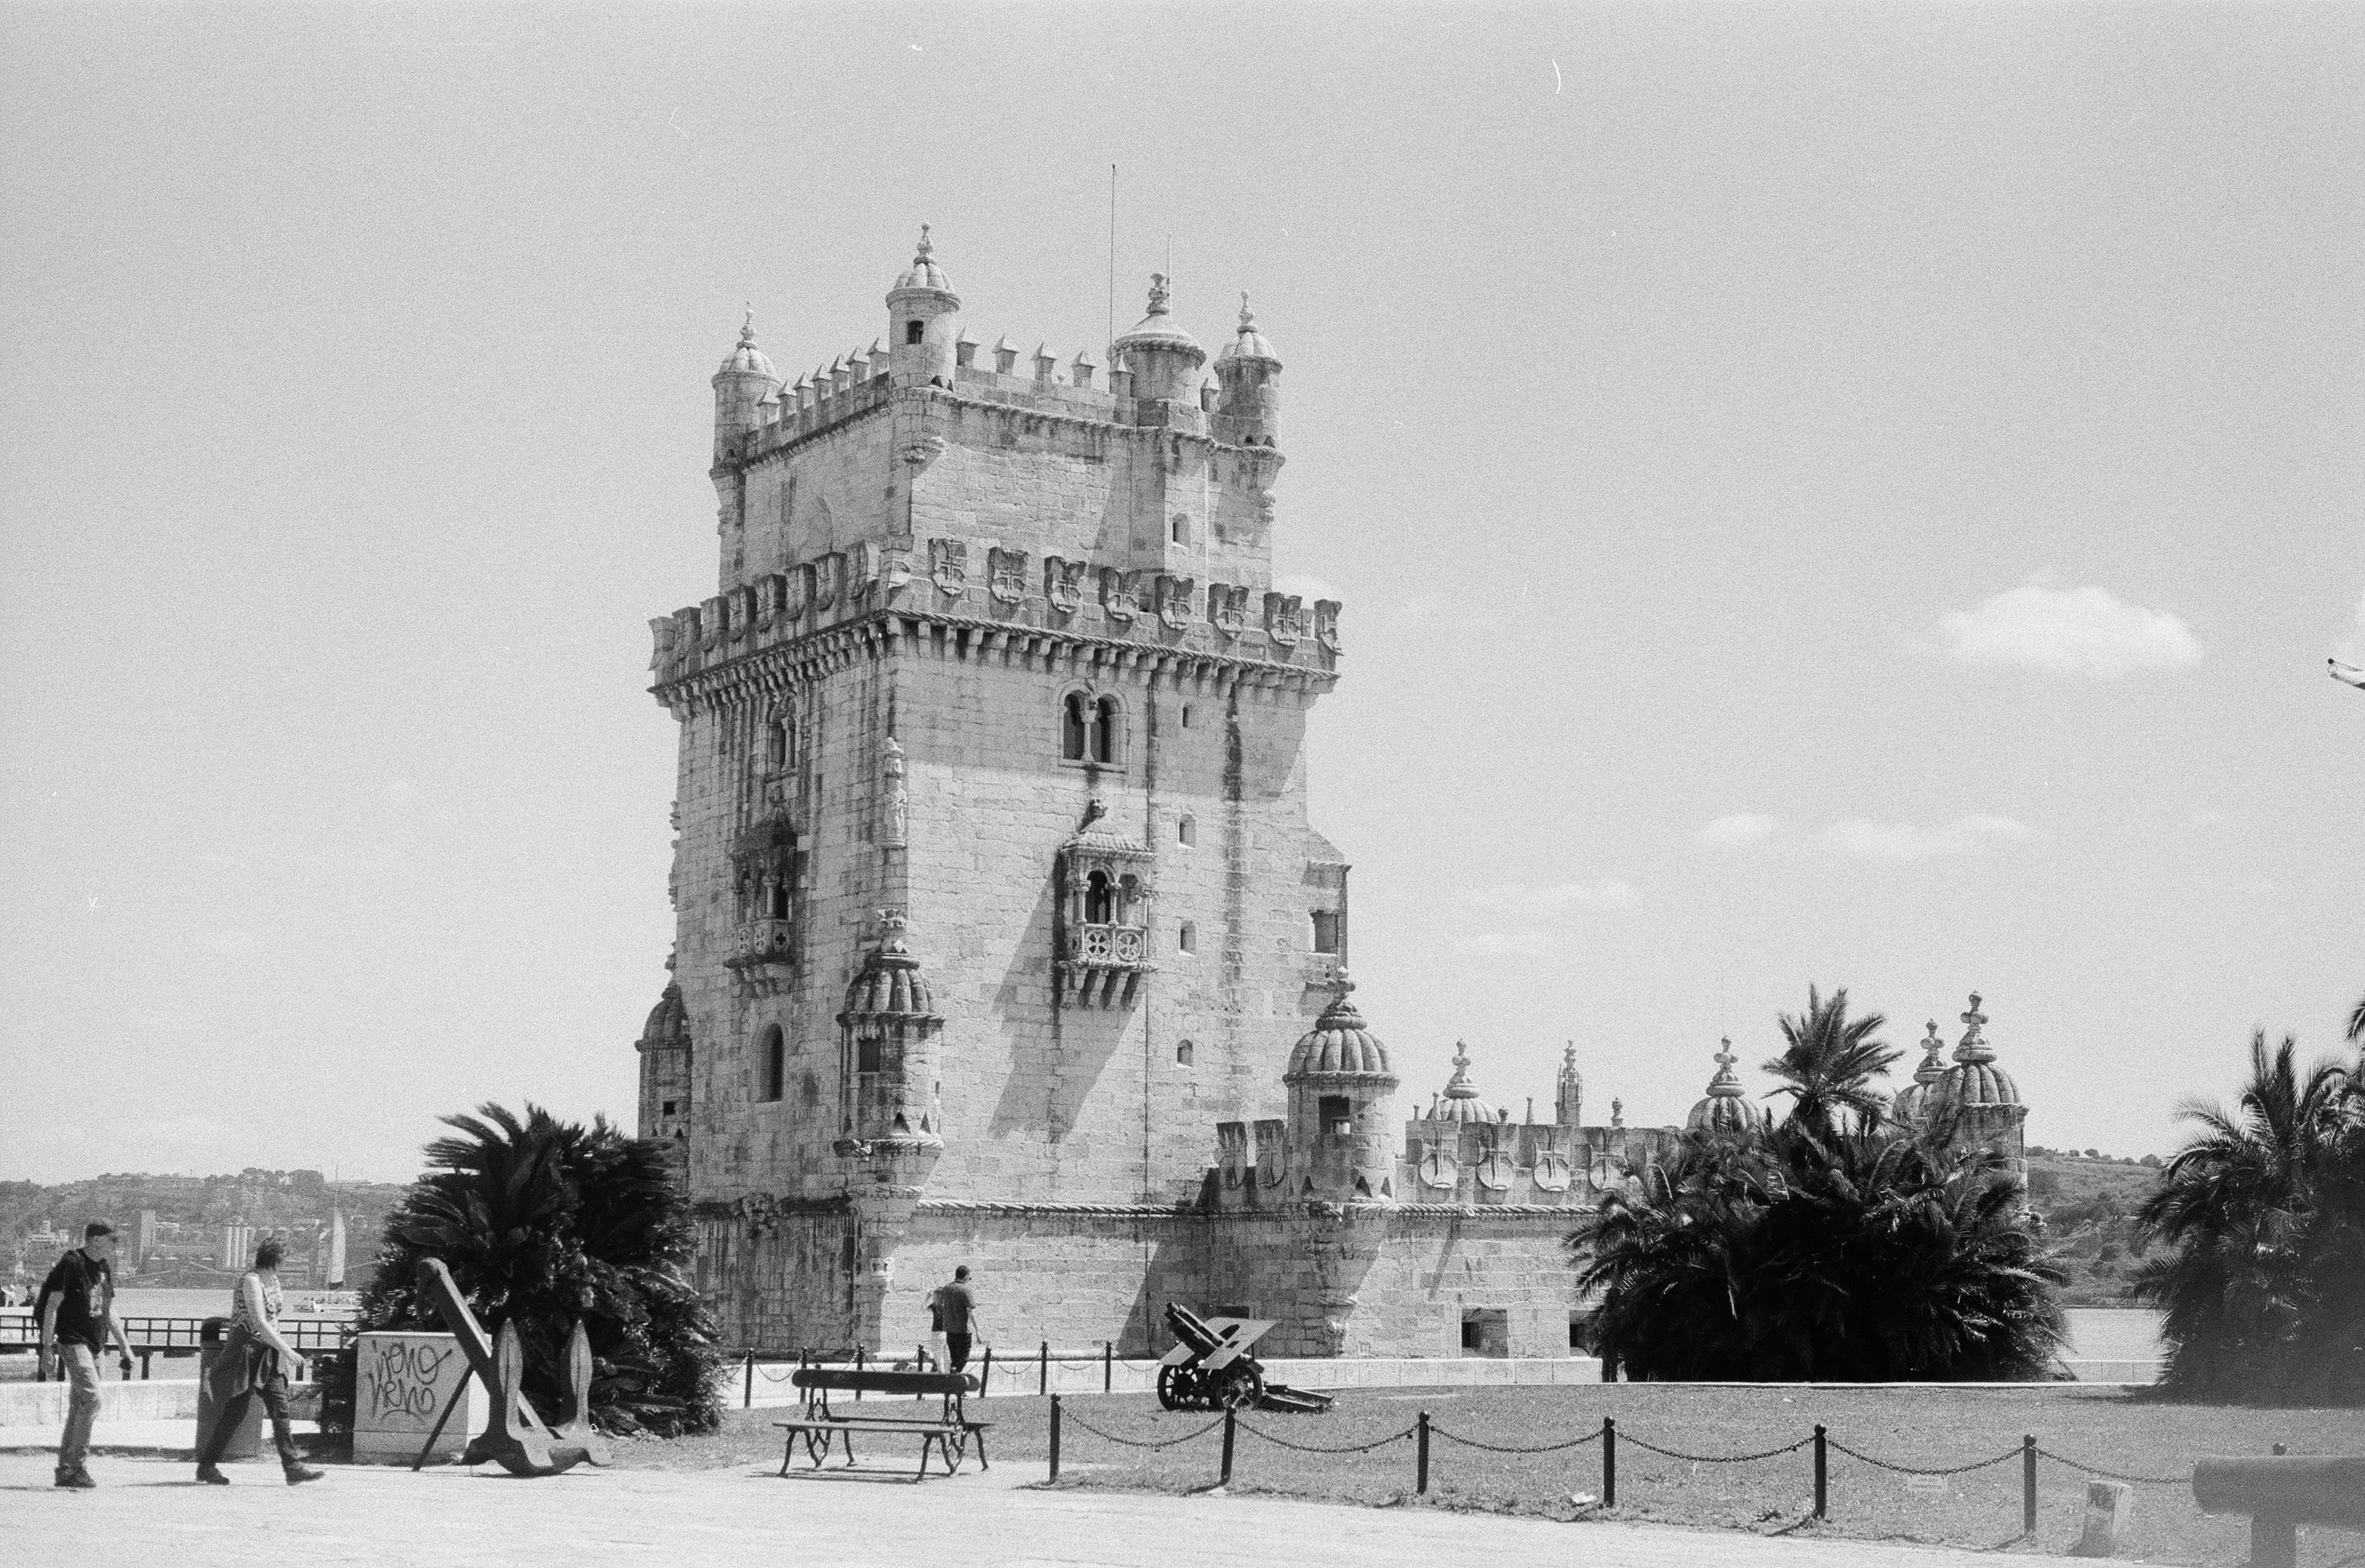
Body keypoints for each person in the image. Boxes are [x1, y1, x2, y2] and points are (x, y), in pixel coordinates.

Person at [195, 1238, 323, 1485]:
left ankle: (292, 1467)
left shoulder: (274, 1281)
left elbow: (274, 1319)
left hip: (268, 1354)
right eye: (283, 1259)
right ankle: (207, 1465)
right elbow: (259, 1322)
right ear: (274, 1260)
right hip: (246, 1351)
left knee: (280, 1409)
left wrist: (279, 1349)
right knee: (236, 1412)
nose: (284, 1264)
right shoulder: (250, 1281)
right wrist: (288, 1350)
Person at [38, 1221, 136, 1489]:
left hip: (96, 1346)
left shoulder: (103, 1267)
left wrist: (125, 1347)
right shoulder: (72, 1263)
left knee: (80, 1406)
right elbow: (51, 1306)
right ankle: (77, 1466)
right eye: (112, 1240)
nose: (116, 1246)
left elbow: (108, 1310)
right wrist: (47, 1348)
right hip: (72, 1342)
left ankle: (66, 1469)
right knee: (92, 1399)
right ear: (95, 1239)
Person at [930, 1264, 985, 1373]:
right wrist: (977, 1330)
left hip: (950, 1331)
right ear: (966, 1277)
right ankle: (953, 1378)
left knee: (954, 1360)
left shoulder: (947, 1288)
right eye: (969, 1278)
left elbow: (937, 1294)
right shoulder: (966, 1290)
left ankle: (952, 1378)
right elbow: (971, 1311)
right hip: (963, 1331)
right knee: (963, 1358)